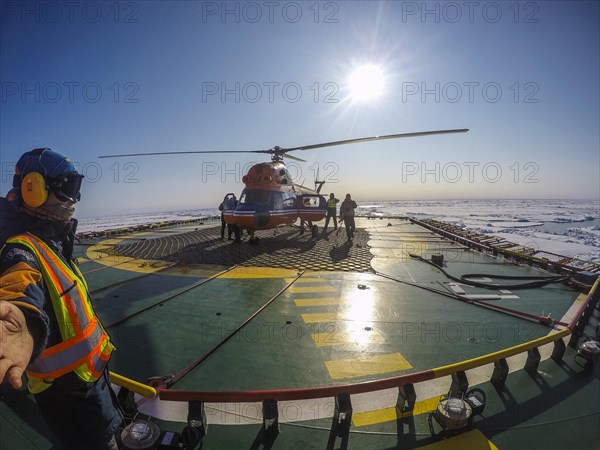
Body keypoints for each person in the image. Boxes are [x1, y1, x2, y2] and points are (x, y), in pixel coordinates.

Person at [0, 148, 121, 450]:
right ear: (33, 190)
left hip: (87, 388)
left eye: (77, 188)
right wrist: (19, 329)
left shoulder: (50, 240)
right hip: (69, 400)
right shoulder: (22, 250)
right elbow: (18, 289)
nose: (74, 199)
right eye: (68, 189)